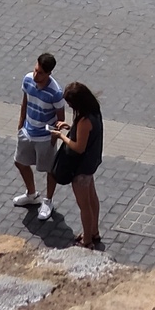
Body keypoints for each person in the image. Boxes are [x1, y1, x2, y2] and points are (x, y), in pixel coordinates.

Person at [13, 49, 67, 220]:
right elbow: (25, 101)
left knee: (49, 170)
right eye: (35, 70)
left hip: (44, 137)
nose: (36, 75)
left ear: (49, 73)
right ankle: (31, 194)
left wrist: (53, 138)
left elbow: (60, 119)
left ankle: (48, 200)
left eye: (41, 73)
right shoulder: (28, 79)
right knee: (20, 162)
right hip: (27, 131)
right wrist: (21, 123)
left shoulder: (55, 92)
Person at [53, 80, 104, 248]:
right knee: (92, 199)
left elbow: (78, 147)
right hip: (90, 164)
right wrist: (71, 129)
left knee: (84, 206)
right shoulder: (94, 112)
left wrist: (62, 136)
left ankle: (87, 241)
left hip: (81, 168)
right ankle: (94, 231)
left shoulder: (84, 121)